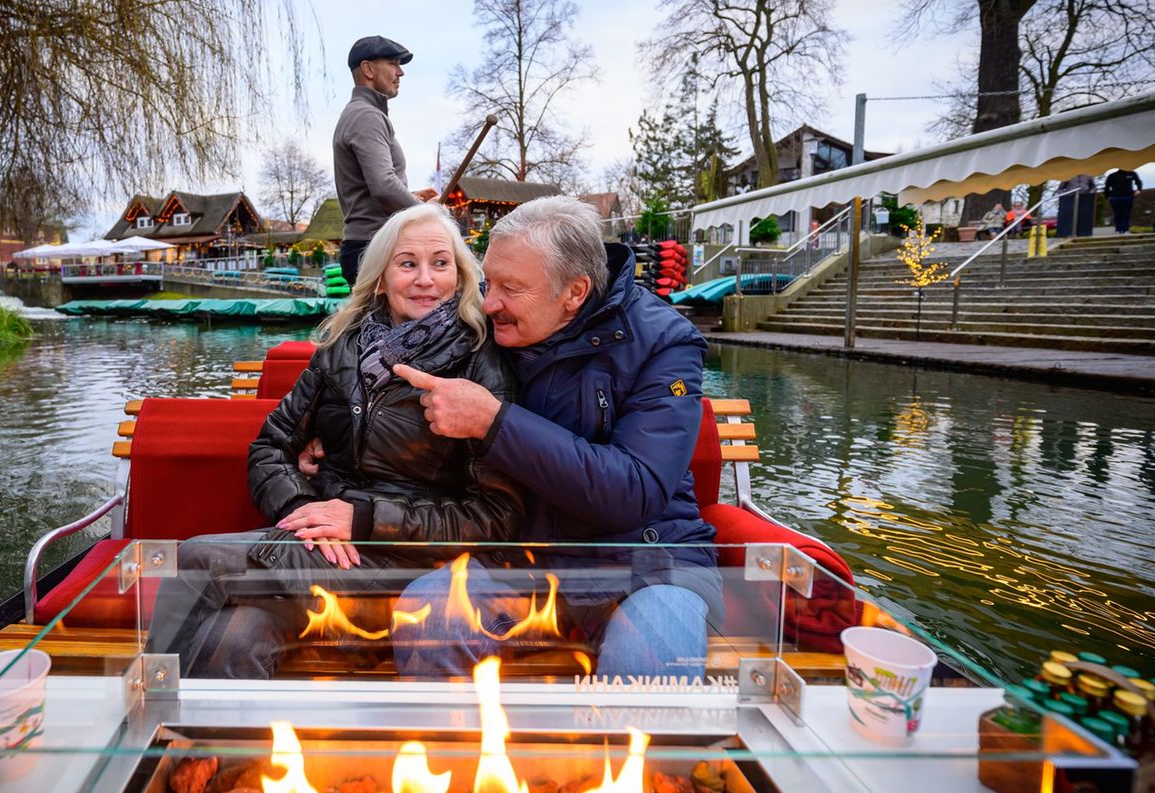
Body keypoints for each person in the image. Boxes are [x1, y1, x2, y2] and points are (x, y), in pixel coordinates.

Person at [145, 203, 524, 678]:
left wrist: (363, 519)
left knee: (197, 558)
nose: (426, 279)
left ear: (461, 274)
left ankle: (144, 714)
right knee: (233, 638)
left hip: (414, 566)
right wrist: (303, 514)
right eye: (408, 264)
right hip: (327, 556)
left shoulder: (481, 363)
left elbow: (497, 514)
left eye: (440, 263)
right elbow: (271, 446)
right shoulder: (344, 348)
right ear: (381, 278)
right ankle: (202, 750)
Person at [387, 196, 722, 679]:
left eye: (510, 287)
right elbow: (380, 361)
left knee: (653, 657)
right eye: (487, 282)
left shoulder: (666, 343)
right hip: (518, 562)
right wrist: (326, 439)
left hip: (648, 565)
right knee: (428, 613)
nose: (488, 302)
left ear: (575, 292)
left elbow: (636, 491)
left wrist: (493, 422)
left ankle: (643, 756)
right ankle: (457, 753)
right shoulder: (485, 328)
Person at [333, 35, 437, 286]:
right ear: (368, 69)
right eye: (392, 63)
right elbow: (383, 186)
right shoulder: (366, 116)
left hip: (369, 246)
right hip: (373, 248)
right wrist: (427, 214)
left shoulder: (361, 114)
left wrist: (411, 196)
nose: (400, 72)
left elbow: (373, 187)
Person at [1103, 169, 1143, 234]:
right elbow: (1107, 187)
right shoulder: (1112, 175)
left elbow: (1138, 182)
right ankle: (1118, 230)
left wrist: (1139, 189)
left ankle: (1125, 230)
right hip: (1115, 198)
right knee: (1117, 214)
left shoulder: (1131, 173)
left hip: (1128, 196)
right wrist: (1107, 197)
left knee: (1126, 214)